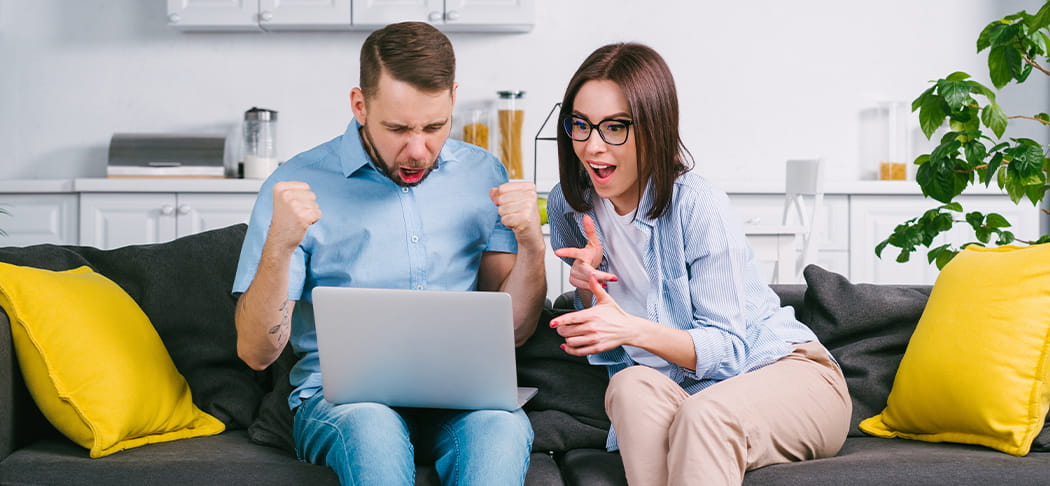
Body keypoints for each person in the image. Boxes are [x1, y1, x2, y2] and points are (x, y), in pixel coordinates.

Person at [231, 22, 545, 486]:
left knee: (501, 426)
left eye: (434, 127)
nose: (418, 150)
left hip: (462, 401)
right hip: (343, 405)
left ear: (453, 98)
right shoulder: (297, 182)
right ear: (360, 105)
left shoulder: (484, 174)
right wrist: (280, 244)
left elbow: (514, 333)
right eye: (397, 128)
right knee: (373, 427)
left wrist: (532, 245)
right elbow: (256, 354)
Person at [546, 42, 851, 486]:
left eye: (615, 127)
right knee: (628, 389)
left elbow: (728, 351)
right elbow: (614, 349)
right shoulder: (571, 206)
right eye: (580, 125)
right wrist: (589, 293)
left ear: (653, 128)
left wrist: (629, 328)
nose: (592, 146)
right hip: (688, 392)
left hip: (787, 374)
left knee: (705, 416)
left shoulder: (696, 203)